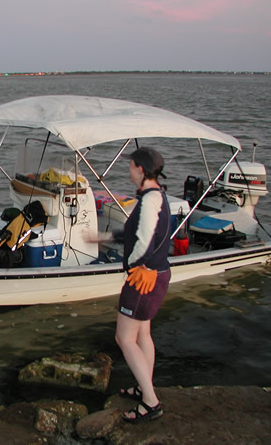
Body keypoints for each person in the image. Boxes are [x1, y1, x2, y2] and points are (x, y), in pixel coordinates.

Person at [88, 147, 171, 422]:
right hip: (157, 274)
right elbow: (134, 233)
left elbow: (144, 241)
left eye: (131, 164)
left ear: (141, 169)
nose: (128, 169)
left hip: (143, 277)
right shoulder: (157, 196)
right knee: (143, 334)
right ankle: (144, 386)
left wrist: (136, 266)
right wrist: (103, 237)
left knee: (124, 338)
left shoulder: (149, 201)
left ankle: (151, 403)